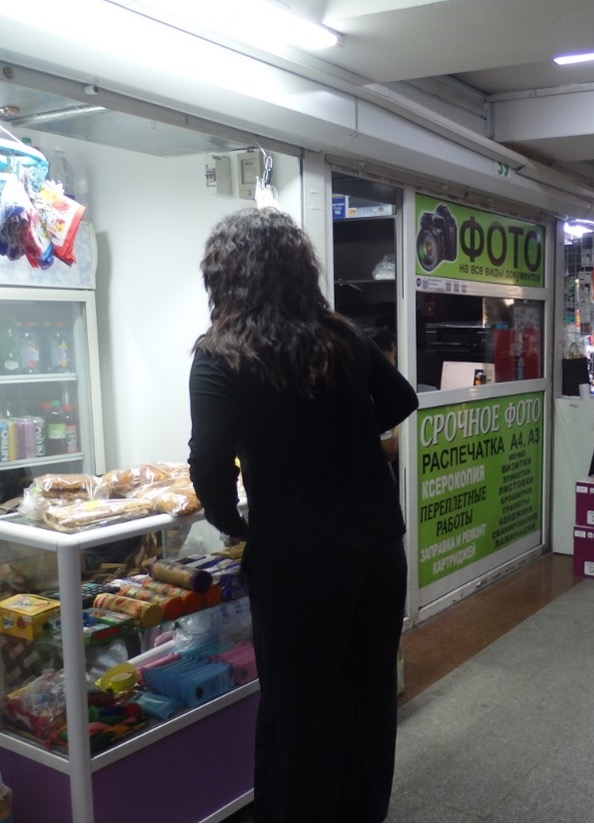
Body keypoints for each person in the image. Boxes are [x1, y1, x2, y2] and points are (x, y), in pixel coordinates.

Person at [188, 208, 419, 822]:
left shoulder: (220, 355)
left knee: (297, 709)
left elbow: (209, 464)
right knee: (367, 695)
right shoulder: (340, 336)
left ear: (226, 277)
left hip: (297, 559)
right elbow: (402, 399)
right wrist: (341, 438)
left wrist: (231, 522)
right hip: (375, 548)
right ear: (300, 270)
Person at [368, 327, 401, 480]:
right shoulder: (376, 392)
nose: (394, 362)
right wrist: (402, 423)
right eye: (394, 356)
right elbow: (390, 450)